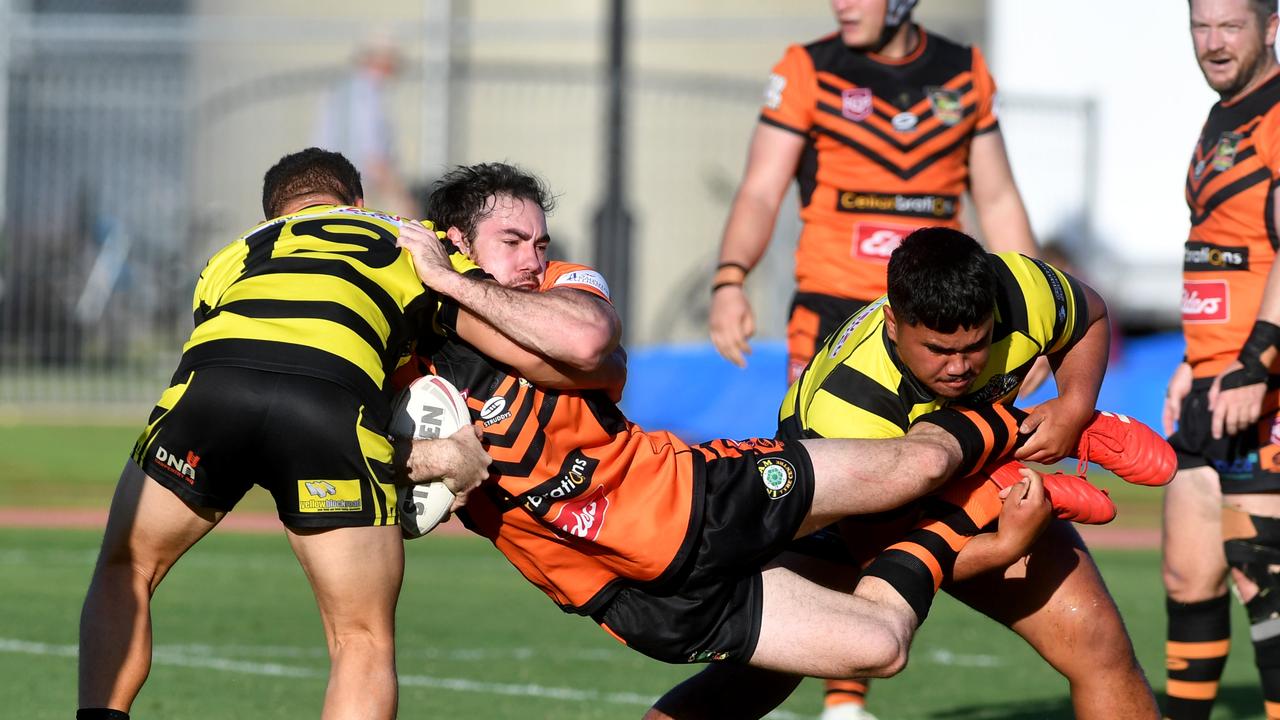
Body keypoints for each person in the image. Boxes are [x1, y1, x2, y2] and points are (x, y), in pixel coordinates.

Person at [393, 165, 1145, 690]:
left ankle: (1025, 431)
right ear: (453, 238)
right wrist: (432, 458)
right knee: (880, 647)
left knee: (913, 469)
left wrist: (456, 288)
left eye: (540, 240)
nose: (535, 259)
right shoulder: (413, 365)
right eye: (513, 243)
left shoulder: (566, 289)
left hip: (688, 495)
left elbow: (590, 346)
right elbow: (382, 468)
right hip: (626, 595)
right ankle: (996, 486)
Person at [74, 150, 614, 720]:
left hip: (213, 394)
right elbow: (523, 349)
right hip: (327, 405)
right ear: (357, 204)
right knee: (361, 639)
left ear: (272, 216)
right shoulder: (411, 239)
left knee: (126, 569)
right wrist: (602, 373)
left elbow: (234, 349)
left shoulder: (231, 256)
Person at [651, 228, 1165, 719]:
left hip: (973, 471)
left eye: (976, 345)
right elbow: (887, 561)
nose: (961, 367)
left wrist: (1074, 407)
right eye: (940, 351)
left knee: (1097, 641)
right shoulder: (847, 408)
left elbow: (1091, 315)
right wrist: (1006, 545)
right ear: (895, 325)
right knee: (756, 681)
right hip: (840, 514)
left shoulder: (1017, 289)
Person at [708, 0, 1039, 390]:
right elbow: (760, 191)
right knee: (823, 448)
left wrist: (1030, 318)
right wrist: (730, 281)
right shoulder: (808, 69)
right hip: (832, 310)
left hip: (937, 311)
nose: (840, 4)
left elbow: (998, 200)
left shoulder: (965, 73)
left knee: (940, 449)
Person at [1163, 2, 1280, 718]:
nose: (1213, 42)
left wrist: (1258, 359)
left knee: (1262, 578)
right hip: (1213, 376)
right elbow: (1220, 251)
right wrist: (1191, 358)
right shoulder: (1220, 119)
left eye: (1230, 26)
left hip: (1261, 384)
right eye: (1201, 26)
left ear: (1270, 25)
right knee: (1188, 573)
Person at [314, 32, 418, 219]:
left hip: (336, 177)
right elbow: (372, 151)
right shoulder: (367, 92)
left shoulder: (345, 89)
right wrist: (399, 197)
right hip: (355, 180)